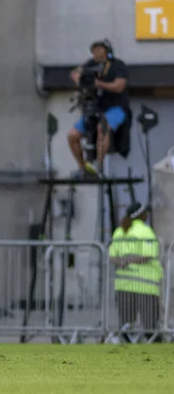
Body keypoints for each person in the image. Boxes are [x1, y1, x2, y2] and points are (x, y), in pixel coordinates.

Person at [67, 39, 129, 178]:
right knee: (72, 135)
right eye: (93, 50)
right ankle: (83, 168)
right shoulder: (90, 64)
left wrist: (98, 84)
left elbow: (119, 86)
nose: (95, 53)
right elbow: (75, 72)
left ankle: (99, 167)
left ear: (106, 50)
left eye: (98, 50)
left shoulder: (118, 65)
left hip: (116, 108)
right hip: (95, 108)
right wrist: (78, 78)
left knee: (103, 128)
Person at [109, 202, 163, 342]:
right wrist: (132, 260)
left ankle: (126, 353)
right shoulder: (145, 231)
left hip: (124, 284)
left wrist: (123, 262)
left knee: (127, 324)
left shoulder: (119, 231)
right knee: (150, 324)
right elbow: (150, 253)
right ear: (141, 215)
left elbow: (112, 256)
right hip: (145, 284)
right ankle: (154, 351)